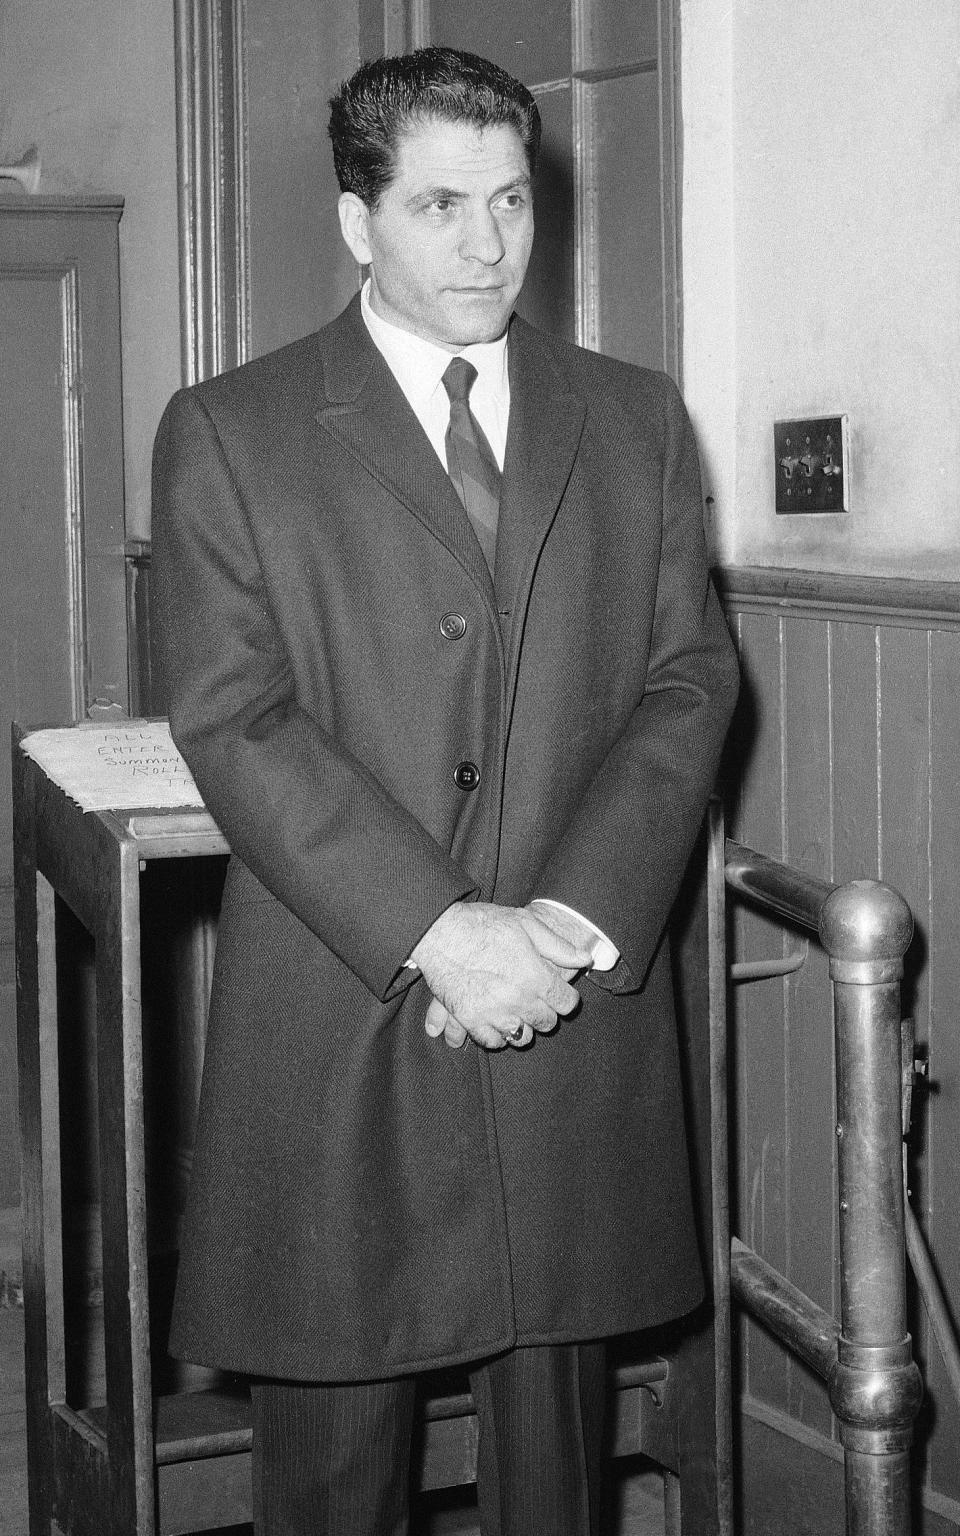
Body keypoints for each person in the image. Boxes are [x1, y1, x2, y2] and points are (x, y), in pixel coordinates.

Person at [151, 44, 739, 1536]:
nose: (488, 244)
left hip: (565, 1001)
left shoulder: (637, 417)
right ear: (357, 222)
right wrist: (442, 929)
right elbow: (236, 714)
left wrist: (570, 915)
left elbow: (689, 684)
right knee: (337, 1463)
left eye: (511, 201)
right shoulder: (233, 430)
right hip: (349, 1008)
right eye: (436, 205)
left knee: (560, 1470)